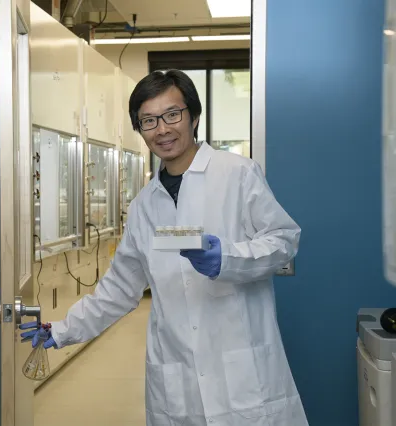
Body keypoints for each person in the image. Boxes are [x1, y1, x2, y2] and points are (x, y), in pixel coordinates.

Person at [20, 70, 309, 426]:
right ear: (140, 130)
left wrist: (229, 259)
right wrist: (62, 329)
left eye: (173, 114)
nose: (162, 129)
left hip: (242, 369)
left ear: (194, 116)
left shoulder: (237, 174)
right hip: (177, 373)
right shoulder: (145, 205)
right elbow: (119, 289)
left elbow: (284, 240)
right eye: (149, 121)